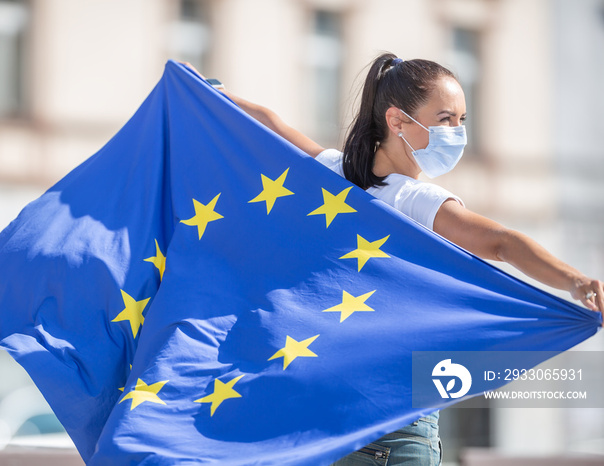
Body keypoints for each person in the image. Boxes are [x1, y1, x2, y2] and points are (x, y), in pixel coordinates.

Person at [184, 54, 603, 465]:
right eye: (444, 120)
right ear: (397, 121)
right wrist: (575, 281)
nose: (457, 133)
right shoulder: (414, 199)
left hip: (323, 423)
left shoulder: (331, 172)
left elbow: (273, 125)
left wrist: (213, 94)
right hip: (396, 426)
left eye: (461, 121)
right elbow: (501, 243)